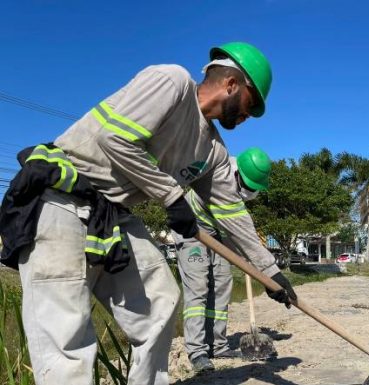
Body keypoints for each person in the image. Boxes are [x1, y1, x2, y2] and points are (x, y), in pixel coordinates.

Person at [0, 42, 296, 385]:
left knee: (161, 301)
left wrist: (270, 271)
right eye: (251, 103)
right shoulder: (172, 82)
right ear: (232, 84)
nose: (249, 115)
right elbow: (115, 138)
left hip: (112, 213)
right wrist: (172, 197)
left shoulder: (213, 151)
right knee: (66, 337)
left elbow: (231, 212)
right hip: (61, 198)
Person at [174, 148, 286, 372]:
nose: (251, 191)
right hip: (192, 233)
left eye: (255, 187)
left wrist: (265, 273)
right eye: (250, 186)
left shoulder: (237, 190)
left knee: (223, 286)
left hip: (217, 236)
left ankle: (218, 344)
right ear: (238, 174)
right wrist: (269, 273)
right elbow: (242, 233)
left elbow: (242, 236)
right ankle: (197, 352)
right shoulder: (219, 179)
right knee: (198, 289)